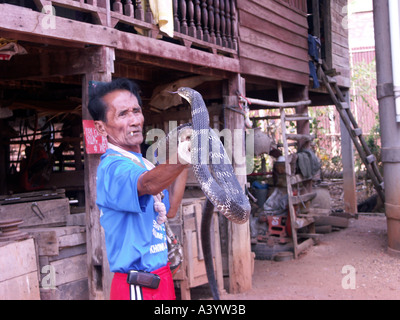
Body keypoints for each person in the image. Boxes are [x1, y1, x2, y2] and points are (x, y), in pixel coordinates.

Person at [88, 78, 188, 300]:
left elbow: (170, 211)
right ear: (101, 127)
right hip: (138, 288)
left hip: (162, 279)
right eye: (122, 114)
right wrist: (184, 155)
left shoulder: (142, 164)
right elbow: (148, 184)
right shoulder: (112, 167)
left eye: (136, 111)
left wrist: (185, 161)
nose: (134, 120)